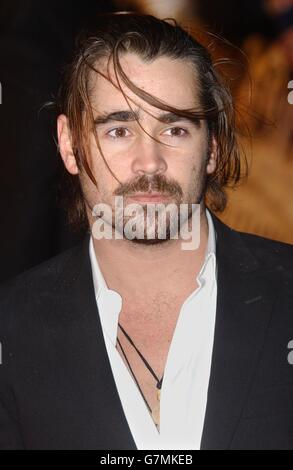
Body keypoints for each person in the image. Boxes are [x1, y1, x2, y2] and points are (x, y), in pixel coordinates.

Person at [0, 12, 292, 451]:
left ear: (211, 147)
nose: (149, 162)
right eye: (118, 130)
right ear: (68, 144)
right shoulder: (12, 330)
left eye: (174, 129)